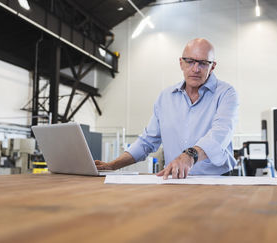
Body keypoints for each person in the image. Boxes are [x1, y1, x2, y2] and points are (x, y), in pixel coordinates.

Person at [95, 38, 239, 179]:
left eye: (203, 63)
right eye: (189, 61)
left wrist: (190, 156)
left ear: (212, 66)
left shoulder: (226, 93)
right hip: (176, 180)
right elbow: (147, 141)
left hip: (218, 181)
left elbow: (220, 134)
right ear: (181, 63)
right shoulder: (166, 97)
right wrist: (113, 165)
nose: (195, 69)